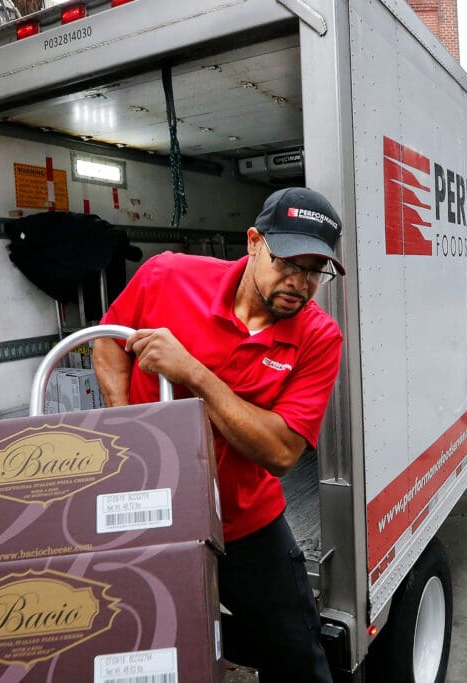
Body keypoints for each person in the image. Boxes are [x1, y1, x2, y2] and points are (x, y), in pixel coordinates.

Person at [93, 187, 344, 682]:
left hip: (245, 524)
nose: (299, 282)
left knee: (296, 650)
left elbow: (280, 452)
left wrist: (195, 373)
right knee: (139, 633)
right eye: (288, 261)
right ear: (254, 241)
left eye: (315, 270)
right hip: (150, 513)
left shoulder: (319, 337)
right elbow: (109, 341)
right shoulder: (167, 276)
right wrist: (127, 430)